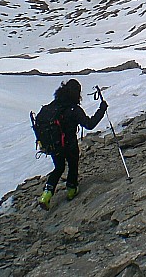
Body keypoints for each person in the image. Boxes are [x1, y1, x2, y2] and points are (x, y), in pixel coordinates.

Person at [38, 79, 107, 210]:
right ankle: (71, 190)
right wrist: (102, 110)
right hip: (69, 144)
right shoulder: (74, 109)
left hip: (54, 145)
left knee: (58, 168)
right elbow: (89, 124)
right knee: (73, 164)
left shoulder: (53, 106)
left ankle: (46, 194)